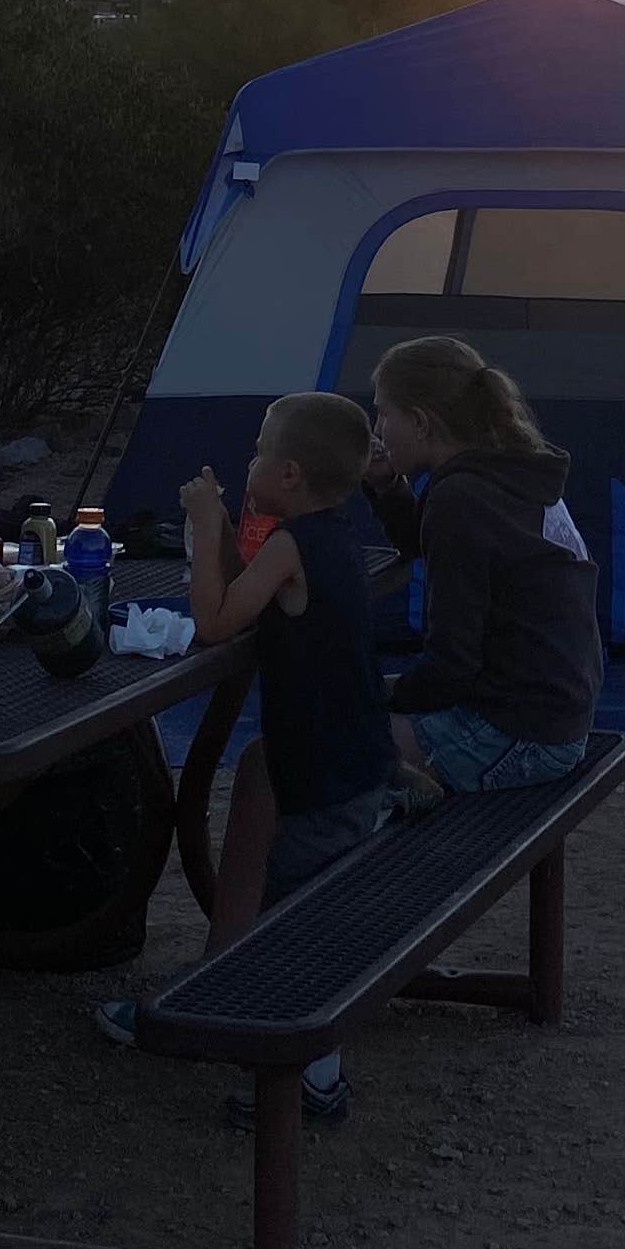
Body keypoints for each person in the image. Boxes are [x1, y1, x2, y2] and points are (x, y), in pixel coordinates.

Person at [92, 392, 392, 1124]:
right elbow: (238, 586)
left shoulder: (293, 546)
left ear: (288, 473)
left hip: (323, 775)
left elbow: (216, 619)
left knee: (296, 921)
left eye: (259, 450)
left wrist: (199, 527)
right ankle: (227, 1002)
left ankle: (310, 1079)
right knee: (261, 781)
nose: (248, 458)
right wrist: (222, 527)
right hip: (351, 755)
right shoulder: (323, 533)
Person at [364, 334, 600, 800]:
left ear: (420, 422)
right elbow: (426, 541)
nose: (377, 428)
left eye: (384, 413)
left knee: (317, 739)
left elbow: (452, 666)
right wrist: (389, 485)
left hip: (514, 735)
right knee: (352, 704)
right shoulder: (511, 471)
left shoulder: (461, 499)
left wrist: (378, 694)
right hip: (557, 717)